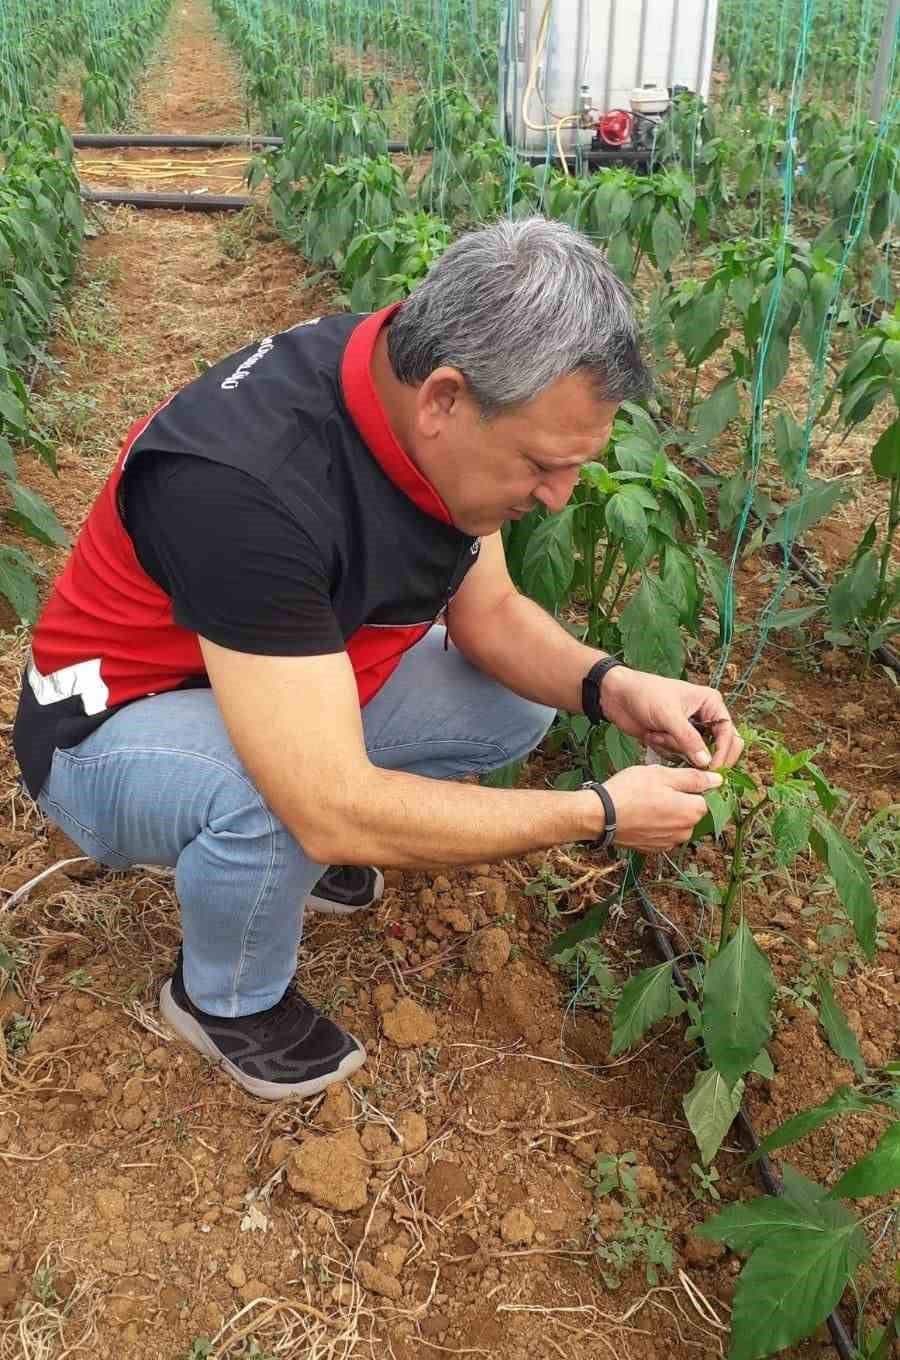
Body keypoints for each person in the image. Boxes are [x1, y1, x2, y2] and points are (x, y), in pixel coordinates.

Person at [13, 218, 741, 1102]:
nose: (559, 495)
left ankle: (294, 844)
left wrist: (615, 686)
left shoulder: (415, 393)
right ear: (444, 399)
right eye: (545, 465)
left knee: (511, 704)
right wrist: (596, 814)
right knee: (279, 798)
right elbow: (322, 805)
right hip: (105, 731)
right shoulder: (245, 486)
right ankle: (224, 1000)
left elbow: (496, 615)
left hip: (263, 677)